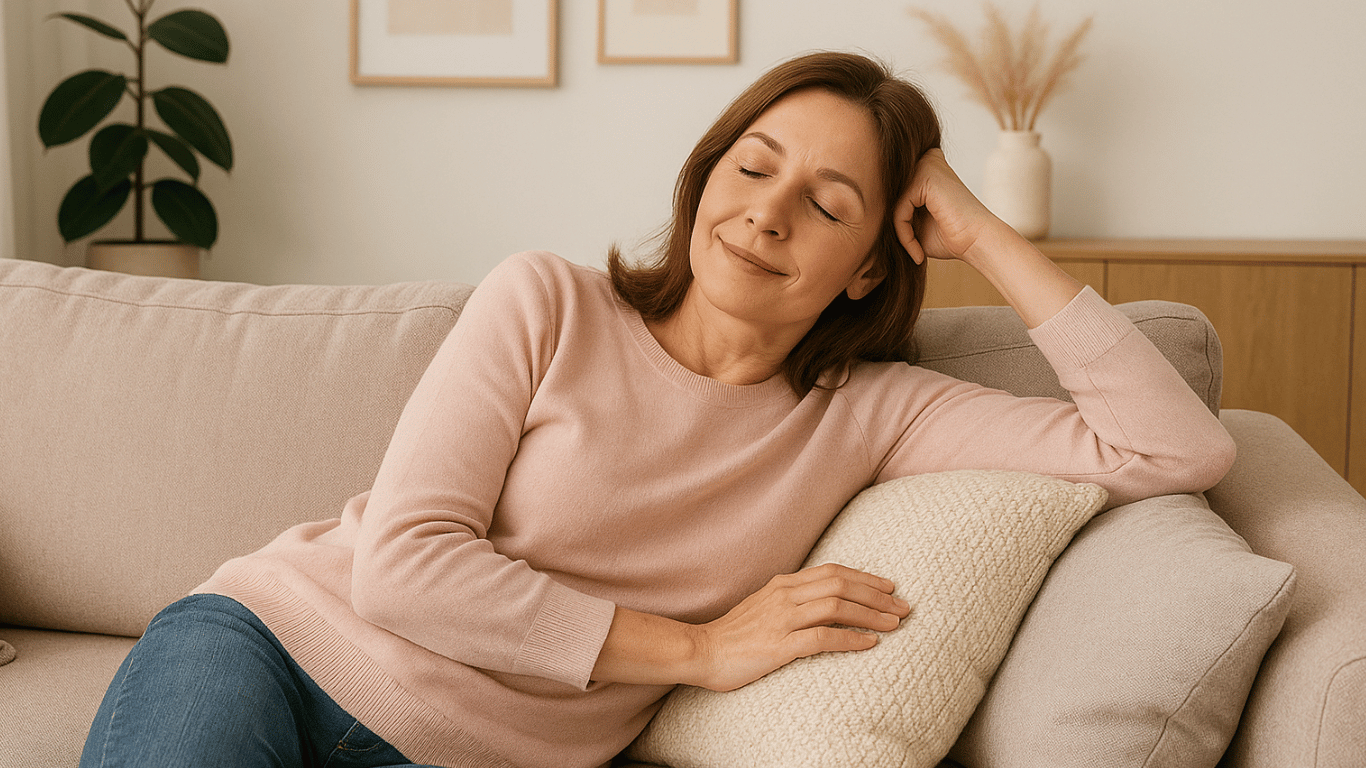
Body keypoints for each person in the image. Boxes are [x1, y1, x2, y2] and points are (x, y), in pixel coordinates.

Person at [81, 52, 1235, 768]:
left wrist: (982, 231)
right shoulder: (547, 300)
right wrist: (698, 649)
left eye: (827, 202)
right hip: (270, 645)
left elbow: (1174, 445)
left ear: (873, 265)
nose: (768, 213)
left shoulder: (873, 414)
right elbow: (402, 570)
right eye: (752, 166)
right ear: (705, 174)